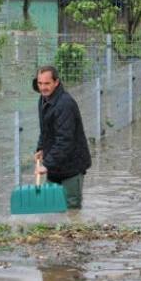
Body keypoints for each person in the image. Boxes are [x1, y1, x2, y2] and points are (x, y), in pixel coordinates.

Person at [32, 65, 92, 209]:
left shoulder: (65, 104)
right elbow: (46, 130)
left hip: (72, 167)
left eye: (47, 83)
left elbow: (65, 140)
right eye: (40, 83)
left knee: (71, 209)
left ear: (56, 82)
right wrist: (41, 148)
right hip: (54, 165)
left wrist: (46, 164)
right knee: (51, 206)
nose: (42, 88)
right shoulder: (43, 100)